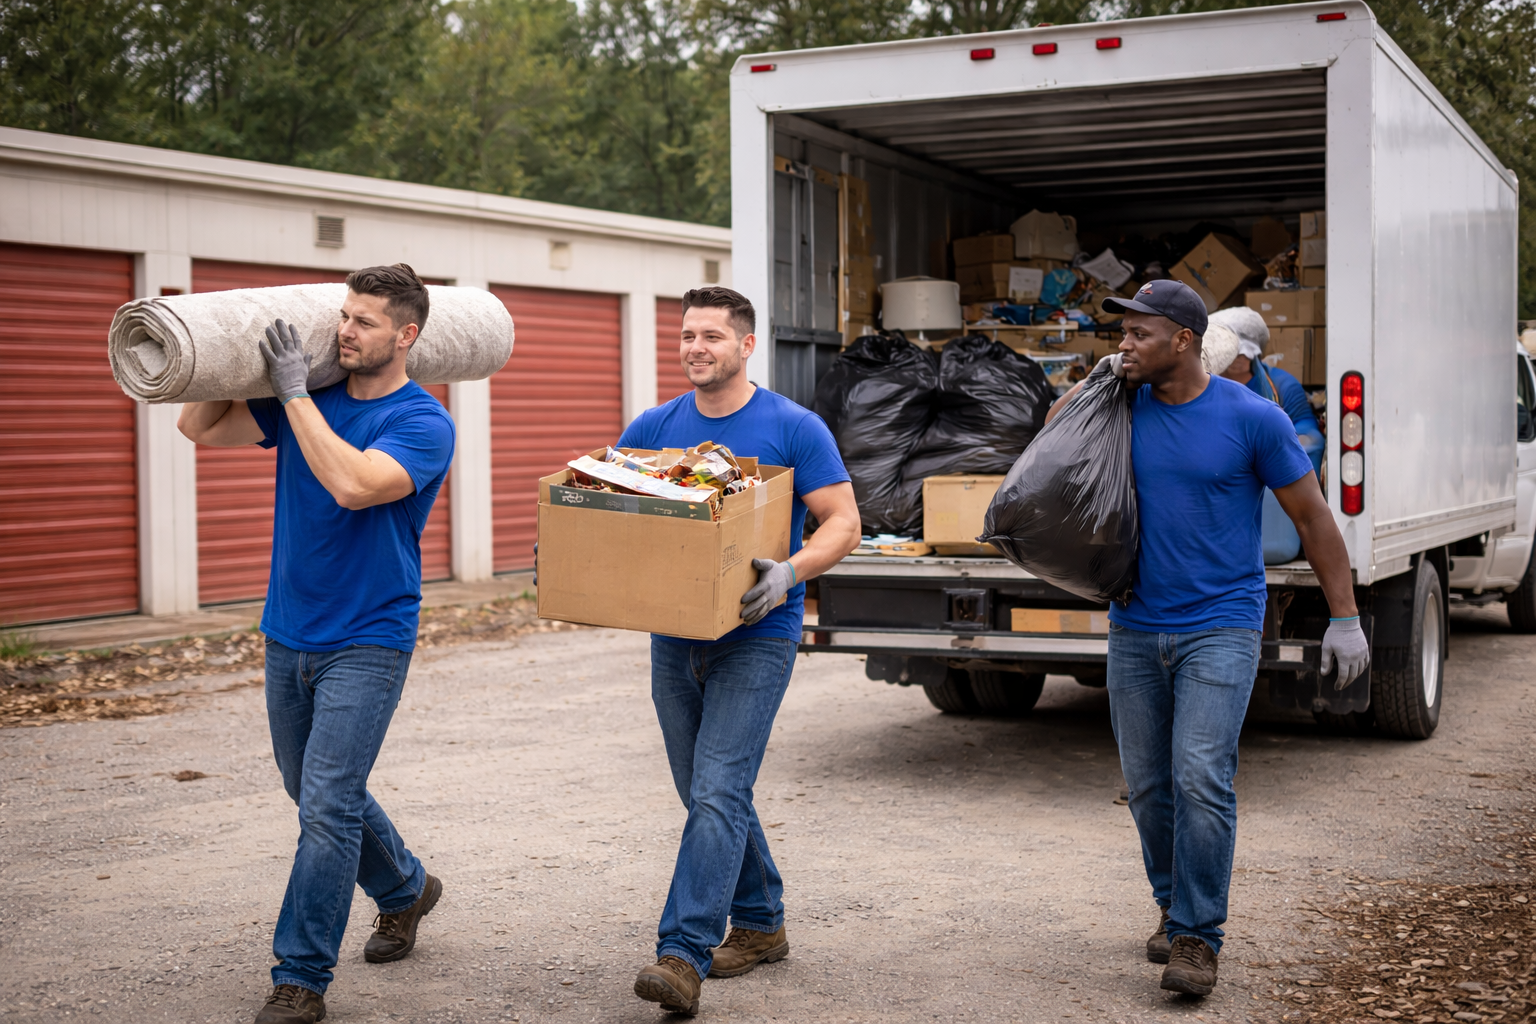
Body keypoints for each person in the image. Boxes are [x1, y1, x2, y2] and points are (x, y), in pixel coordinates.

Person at [1046, 279, 1369, 998]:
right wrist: (1100, 377)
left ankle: (1198, 935)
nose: (1125, 344)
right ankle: (1172, 902)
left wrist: (1344, 617)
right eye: (1122, 333)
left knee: (1200, 774)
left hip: (1221, 623)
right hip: (1135, 623)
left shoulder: (1252, 417)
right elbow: (1053, 432)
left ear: (1183, 340)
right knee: (1148, 785)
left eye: (1139, 334)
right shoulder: (1121, 404)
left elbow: (1313, 518)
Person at [177, 265, 455, 1024]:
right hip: (288, 628)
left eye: (365, 321)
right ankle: (405, 888)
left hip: (369, 636)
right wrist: (222, 354)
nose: (345, 331)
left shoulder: (423, 422)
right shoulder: (310, 396)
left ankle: (300, 977)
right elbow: (198, 428)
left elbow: (354, 485)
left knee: (327, 806)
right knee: (311, 789)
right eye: (343, 315)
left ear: (406, 335)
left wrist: (294, 394)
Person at [615, 286, 861, 1015]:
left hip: (757, 635)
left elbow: (842, 522)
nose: (696, 348)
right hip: (674, 636)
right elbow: (613, 510)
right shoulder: (655, 426)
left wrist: (791, 572)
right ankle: (760, 922)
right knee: (705, 793)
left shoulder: (793, 427)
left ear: (746, 345)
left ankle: (682, 953)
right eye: (687, 335)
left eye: (712, 337)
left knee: (718, 790)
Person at [1210, 305, 1325, 474]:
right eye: (1233, 353)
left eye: (1244, 353)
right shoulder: (1206, 386)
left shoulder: (1282, 384)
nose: (1239, 359)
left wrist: (1293, 442)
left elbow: (1308, 430)